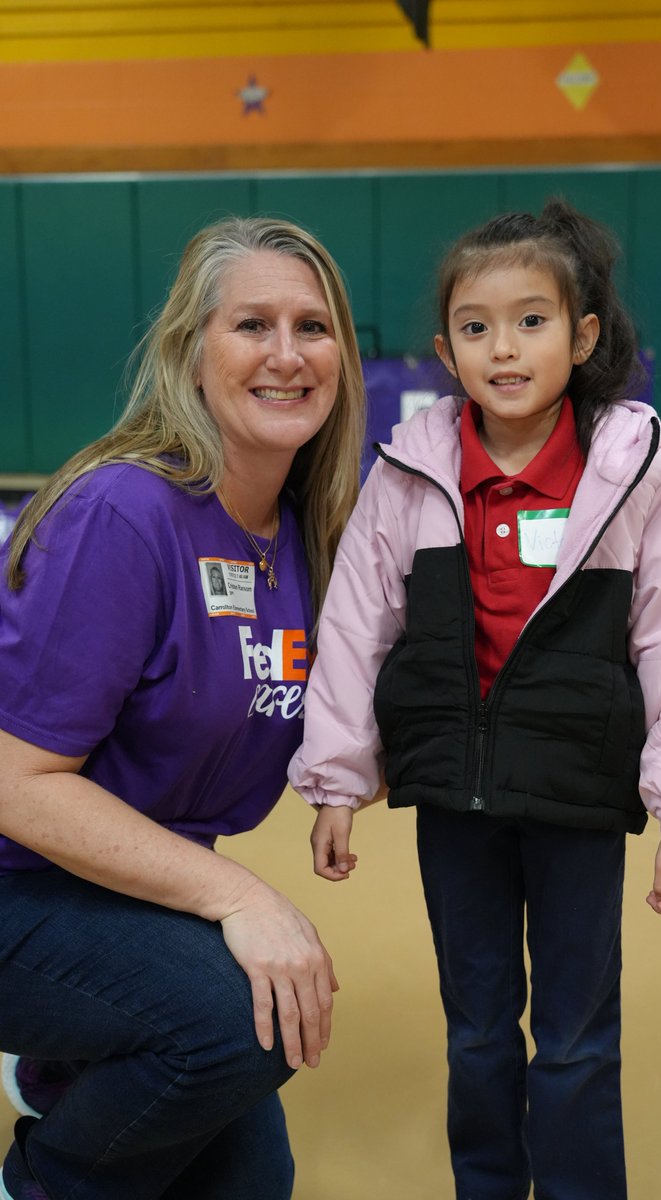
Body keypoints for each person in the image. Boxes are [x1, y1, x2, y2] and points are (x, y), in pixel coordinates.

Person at [289, 200, 661, 1199]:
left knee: (574, 1040)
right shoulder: (406, 482)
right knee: (479, 1031)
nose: (502, 347)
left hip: (575, 804)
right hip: (456, 807)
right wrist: (334, 779)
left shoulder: (645, 484)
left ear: (581, 338)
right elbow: (358, 631)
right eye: (475, 326)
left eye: (530, 320)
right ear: (444, 350)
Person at [0, 215, 365, 1200]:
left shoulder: (304, 535)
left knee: (251, 1176)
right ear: (191, 355)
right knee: (233, 1025)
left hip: (122, 894)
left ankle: (72, 1065)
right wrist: (245, 899)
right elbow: (15, 783)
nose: (287, 354)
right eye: (252, 324)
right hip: (17, 884)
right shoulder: (127, 511)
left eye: (313, 326)